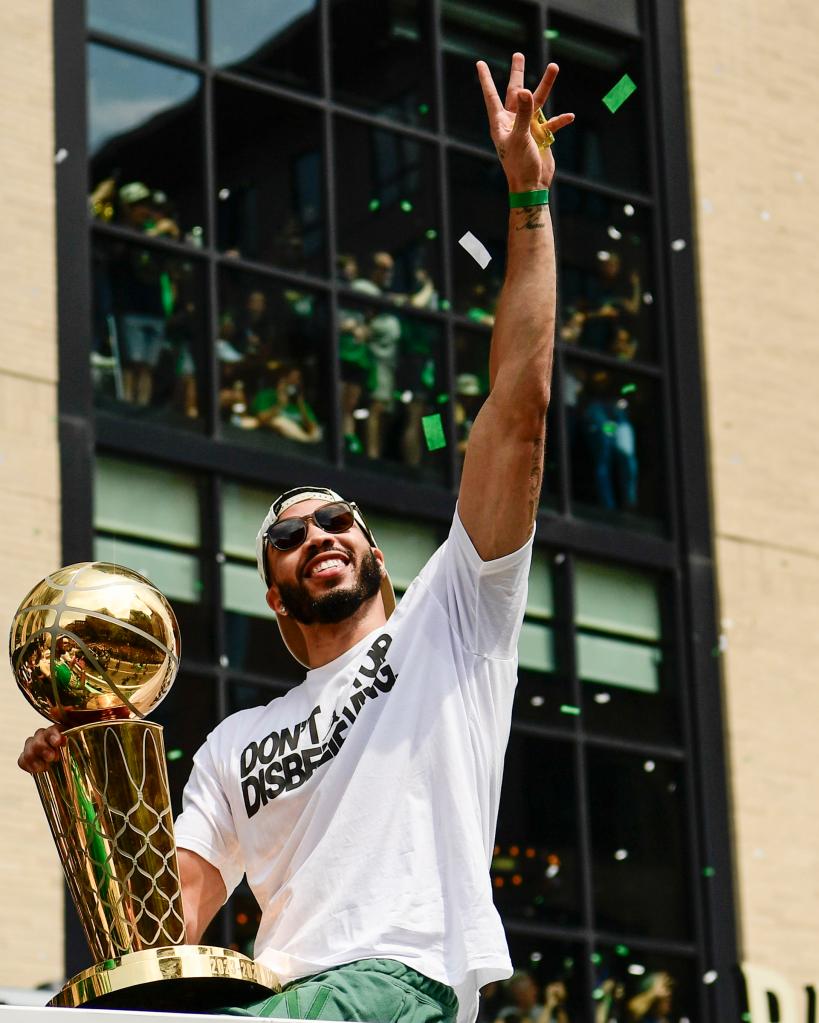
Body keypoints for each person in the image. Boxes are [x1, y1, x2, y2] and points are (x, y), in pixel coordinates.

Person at [19, 53, 574, 1023]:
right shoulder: (235, 745)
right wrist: (94, 798)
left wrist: (527, 201)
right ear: (272, 592)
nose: (317, 530)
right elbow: (166, 929)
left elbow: (517, 409)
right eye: (290, 531)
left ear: (376, 556)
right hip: (283, 993)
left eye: (337, 520)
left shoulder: (453, 619)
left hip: (397, 982)